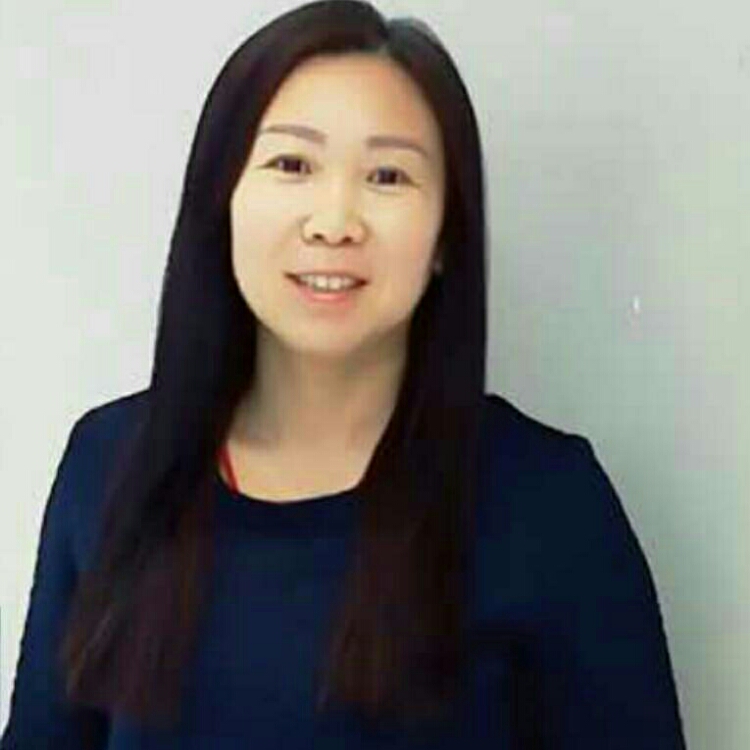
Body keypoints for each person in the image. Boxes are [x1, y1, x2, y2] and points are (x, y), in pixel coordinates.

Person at [1, 1, 689, 747]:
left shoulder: (550, 504)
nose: (334, 221)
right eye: (292, 165)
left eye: (388, 175)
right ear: (222, 199)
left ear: (445, 236)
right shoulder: (110, 465)